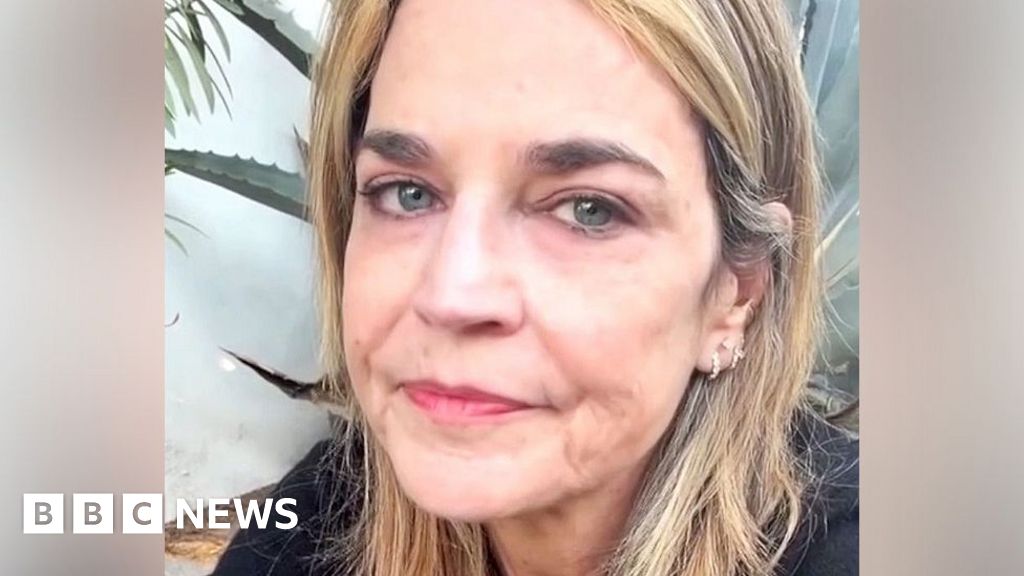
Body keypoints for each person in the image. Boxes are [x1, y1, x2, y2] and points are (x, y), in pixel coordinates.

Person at [212, 0, 858, 574]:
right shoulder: (317, 525)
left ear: (735, 293)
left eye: (589, 210)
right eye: (406, 194)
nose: (451, 294)